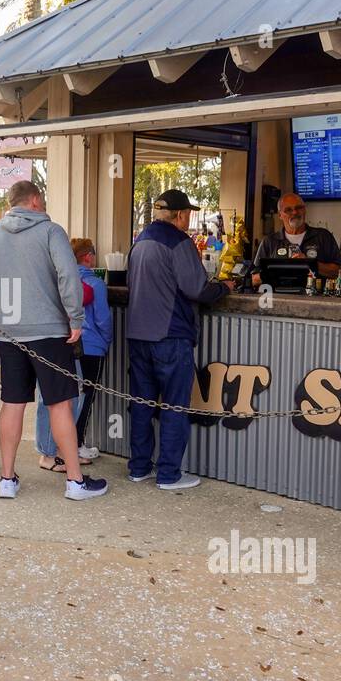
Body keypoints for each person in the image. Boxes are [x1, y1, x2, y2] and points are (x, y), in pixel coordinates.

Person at [0, 179, 107, 501]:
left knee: (12, 404)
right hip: (51, 333)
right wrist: (76, 318)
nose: (44, 206)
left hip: (10, 334)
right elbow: (68, 275)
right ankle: (75, 482)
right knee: (60, 404)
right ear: (33, 201)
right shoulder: (51, 232)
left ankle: (6, 478)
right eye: (41, 201)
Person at [126, 189, 233, 490]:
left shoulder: (140, 241)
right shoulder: (179, 242)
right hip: (170, 336)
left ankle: (138, 468)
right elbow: (197, 289)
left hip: (137, 335)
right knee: (174, 405)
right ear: (180, 214)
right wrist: (225, 286)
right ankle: (169, 474)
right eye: (188, 213)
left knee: (142, 404)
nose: (189, 218)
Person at [72, 237, 112, 459]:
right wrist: (107, 340)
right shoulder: (96, 284)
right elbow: (103, 319)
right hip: (93, 346)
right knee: (87, 397)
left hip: (70, 345)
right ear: (87, 256)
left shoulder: (65, 280)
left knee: (71, 399)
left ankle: (68, 443)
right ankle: (78, 443)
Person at [251, 193, 341, 285]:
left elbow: (340, 272)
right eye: (288, 210)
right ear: (280, 215)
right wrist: (280, 270)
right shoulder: (269, 241)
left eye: (299, 208)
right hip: (279, 298)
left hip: (316, 298)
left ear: (305, 210)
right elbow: (253, 279)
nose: (295, 212)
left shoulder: (323, 236)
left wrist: (309, 264)